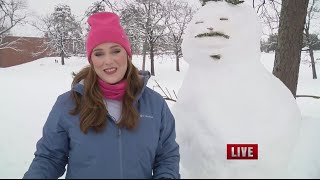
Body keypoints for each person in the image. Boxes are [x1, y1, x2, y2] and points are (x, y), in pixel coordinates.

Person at [23, 12, 180, 179]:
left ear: (127, 54)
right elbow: (49, 158)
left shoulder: (155, 104)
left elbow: (166, 157)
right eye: (99, 53)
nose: (108, 61)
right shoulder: (68, 104)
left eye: (115, 51)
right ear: (91, 60)